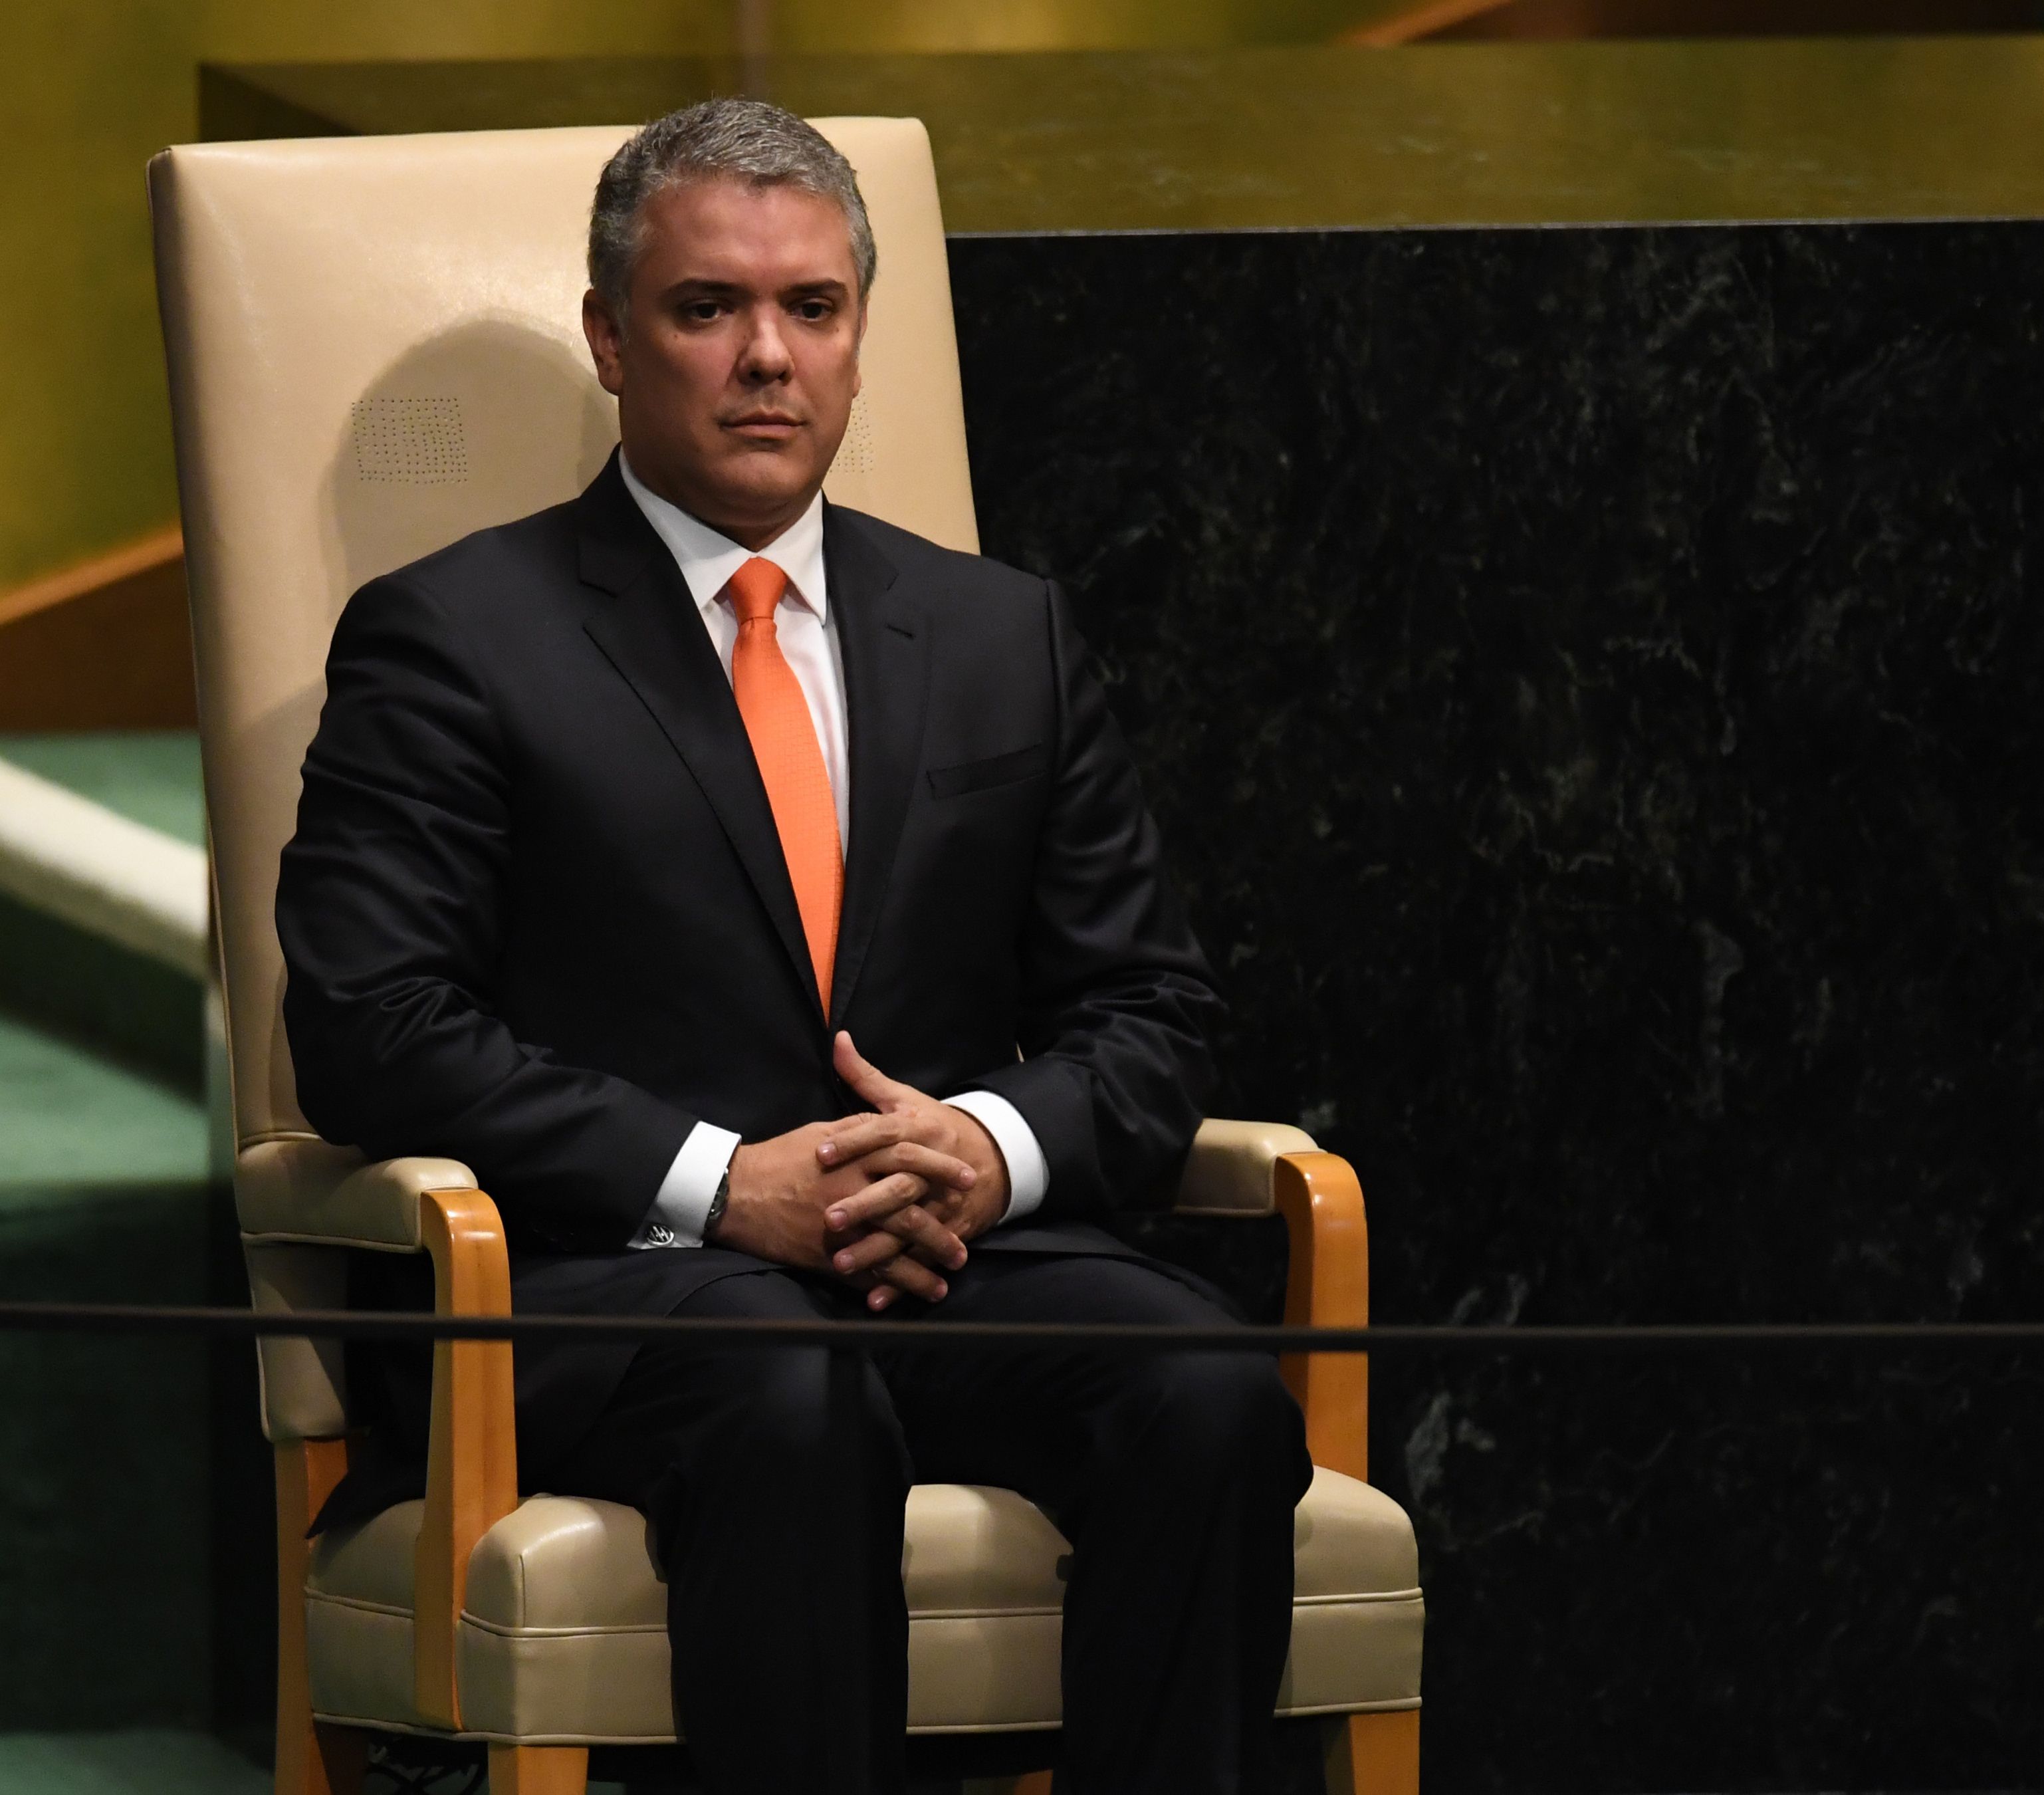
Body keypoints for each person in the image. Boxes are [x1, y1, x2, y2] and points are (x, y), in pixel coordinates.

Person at [275, 96, 1311, 1794]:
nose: (769, 358)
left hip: (942, 1259)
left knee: (1205, 1391)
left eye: (812, 310)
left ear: (857, 339)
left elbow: (1151, 1007)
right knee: (790, 1393)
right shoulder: (453, 636)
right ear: (611, 339)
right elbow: (374, 1025)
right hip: (604, 1283)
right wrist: (718, 1179)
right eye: (710, 310)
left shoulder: (1000, 634)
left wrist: (984, 1149)